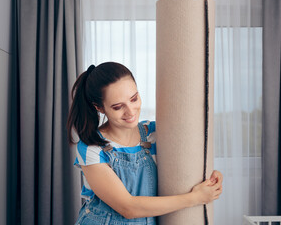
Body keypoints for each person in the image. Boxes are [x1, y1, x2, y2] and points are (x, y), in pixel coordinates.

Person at [67, 62, 223, 225]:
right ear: (99, 108)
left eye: (134, 99)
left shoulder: (155, 133)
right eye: (118, 107)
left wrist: (210, 177)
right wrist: (195, 198)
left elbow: (187, 159)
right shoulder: (91, 148)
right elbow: (128, 208)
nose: (131, 111)